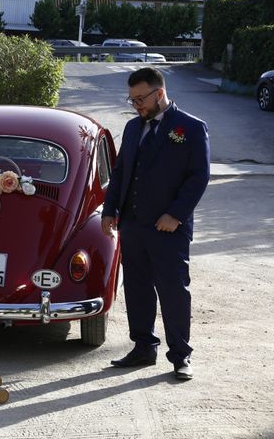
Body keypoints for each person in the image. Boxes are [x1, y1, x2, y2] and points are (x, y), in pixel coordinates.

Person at [101, 67, 210, 380]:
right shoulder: (133, 127)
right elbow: (121, 171)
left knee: (174, 291)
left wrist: (175, 214)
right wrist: (110, 210)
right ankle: (143, 347)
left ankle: (181, 356)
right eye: (132, 100)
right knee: (136, 288)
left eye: (140, 99)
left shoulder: (190, 127)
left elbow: (198, 176)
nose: (136, 105)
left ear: (159, 93)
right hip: (133, 225)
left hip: (169, 228)